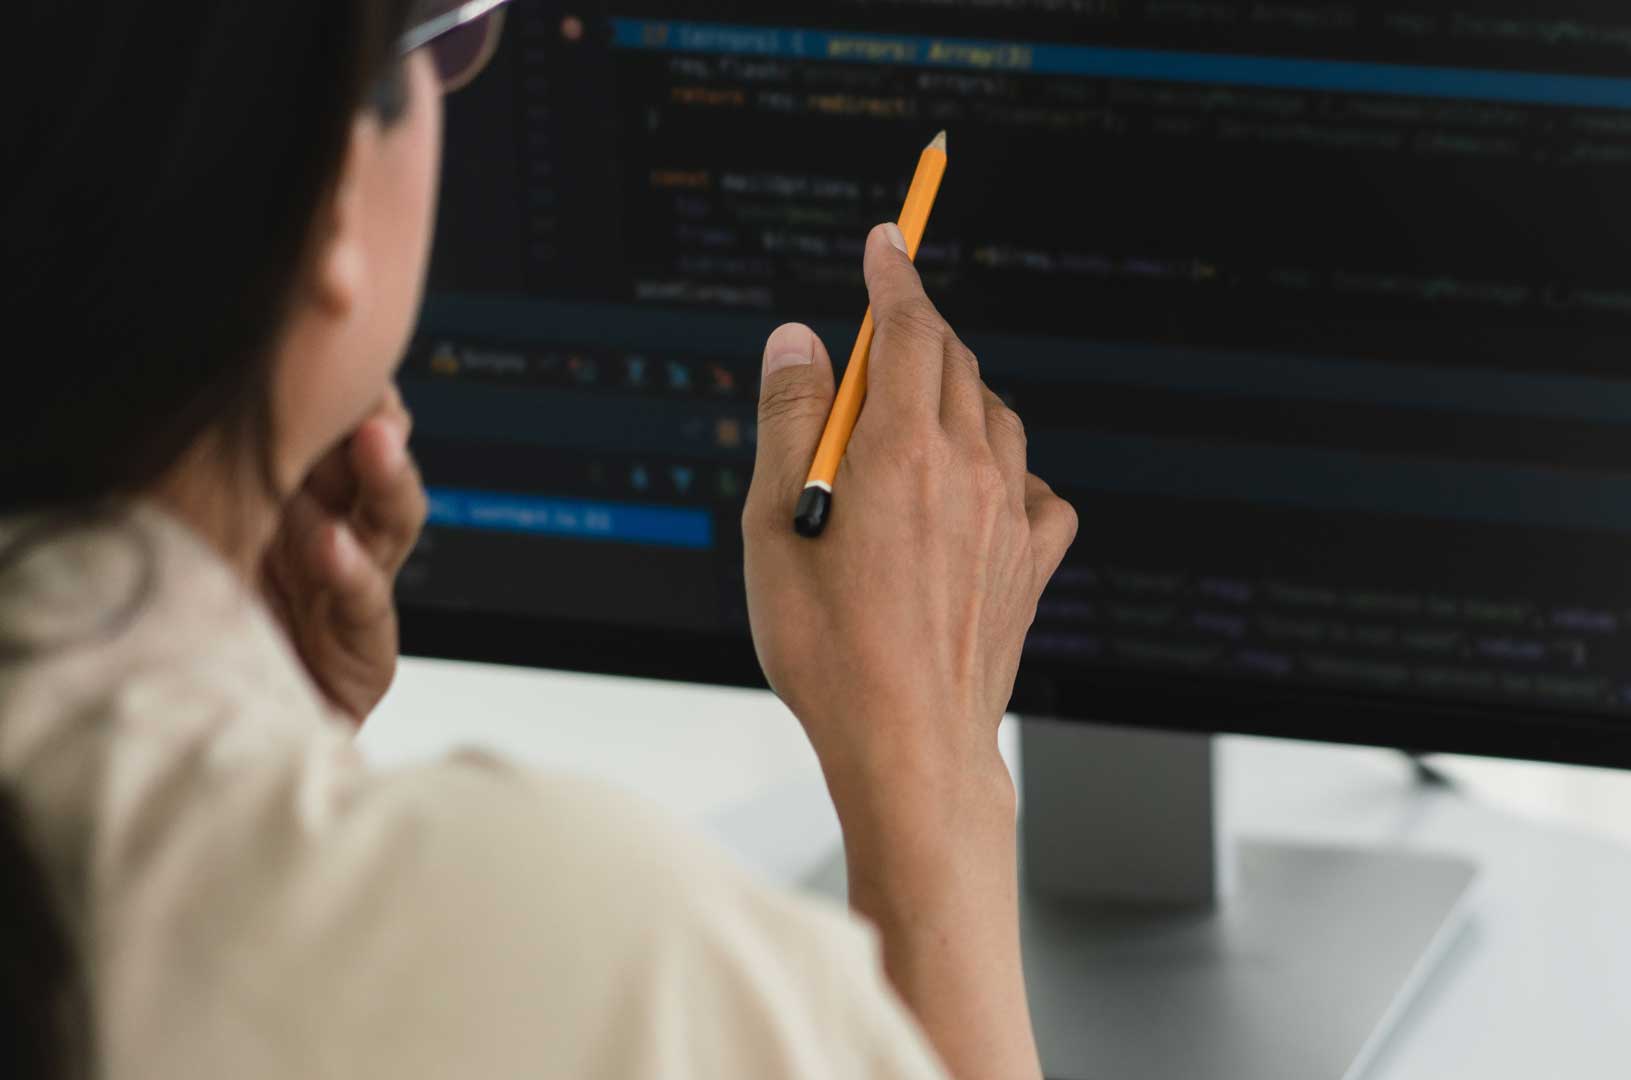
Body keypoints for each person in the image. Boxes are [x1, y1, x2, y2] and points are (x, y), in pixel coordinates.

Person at [0, 2, 1076, 1078]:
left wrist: (262, 731)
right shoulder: (604, 960)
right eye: (446, 41)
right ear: (330, 197)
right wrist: (929, 779)